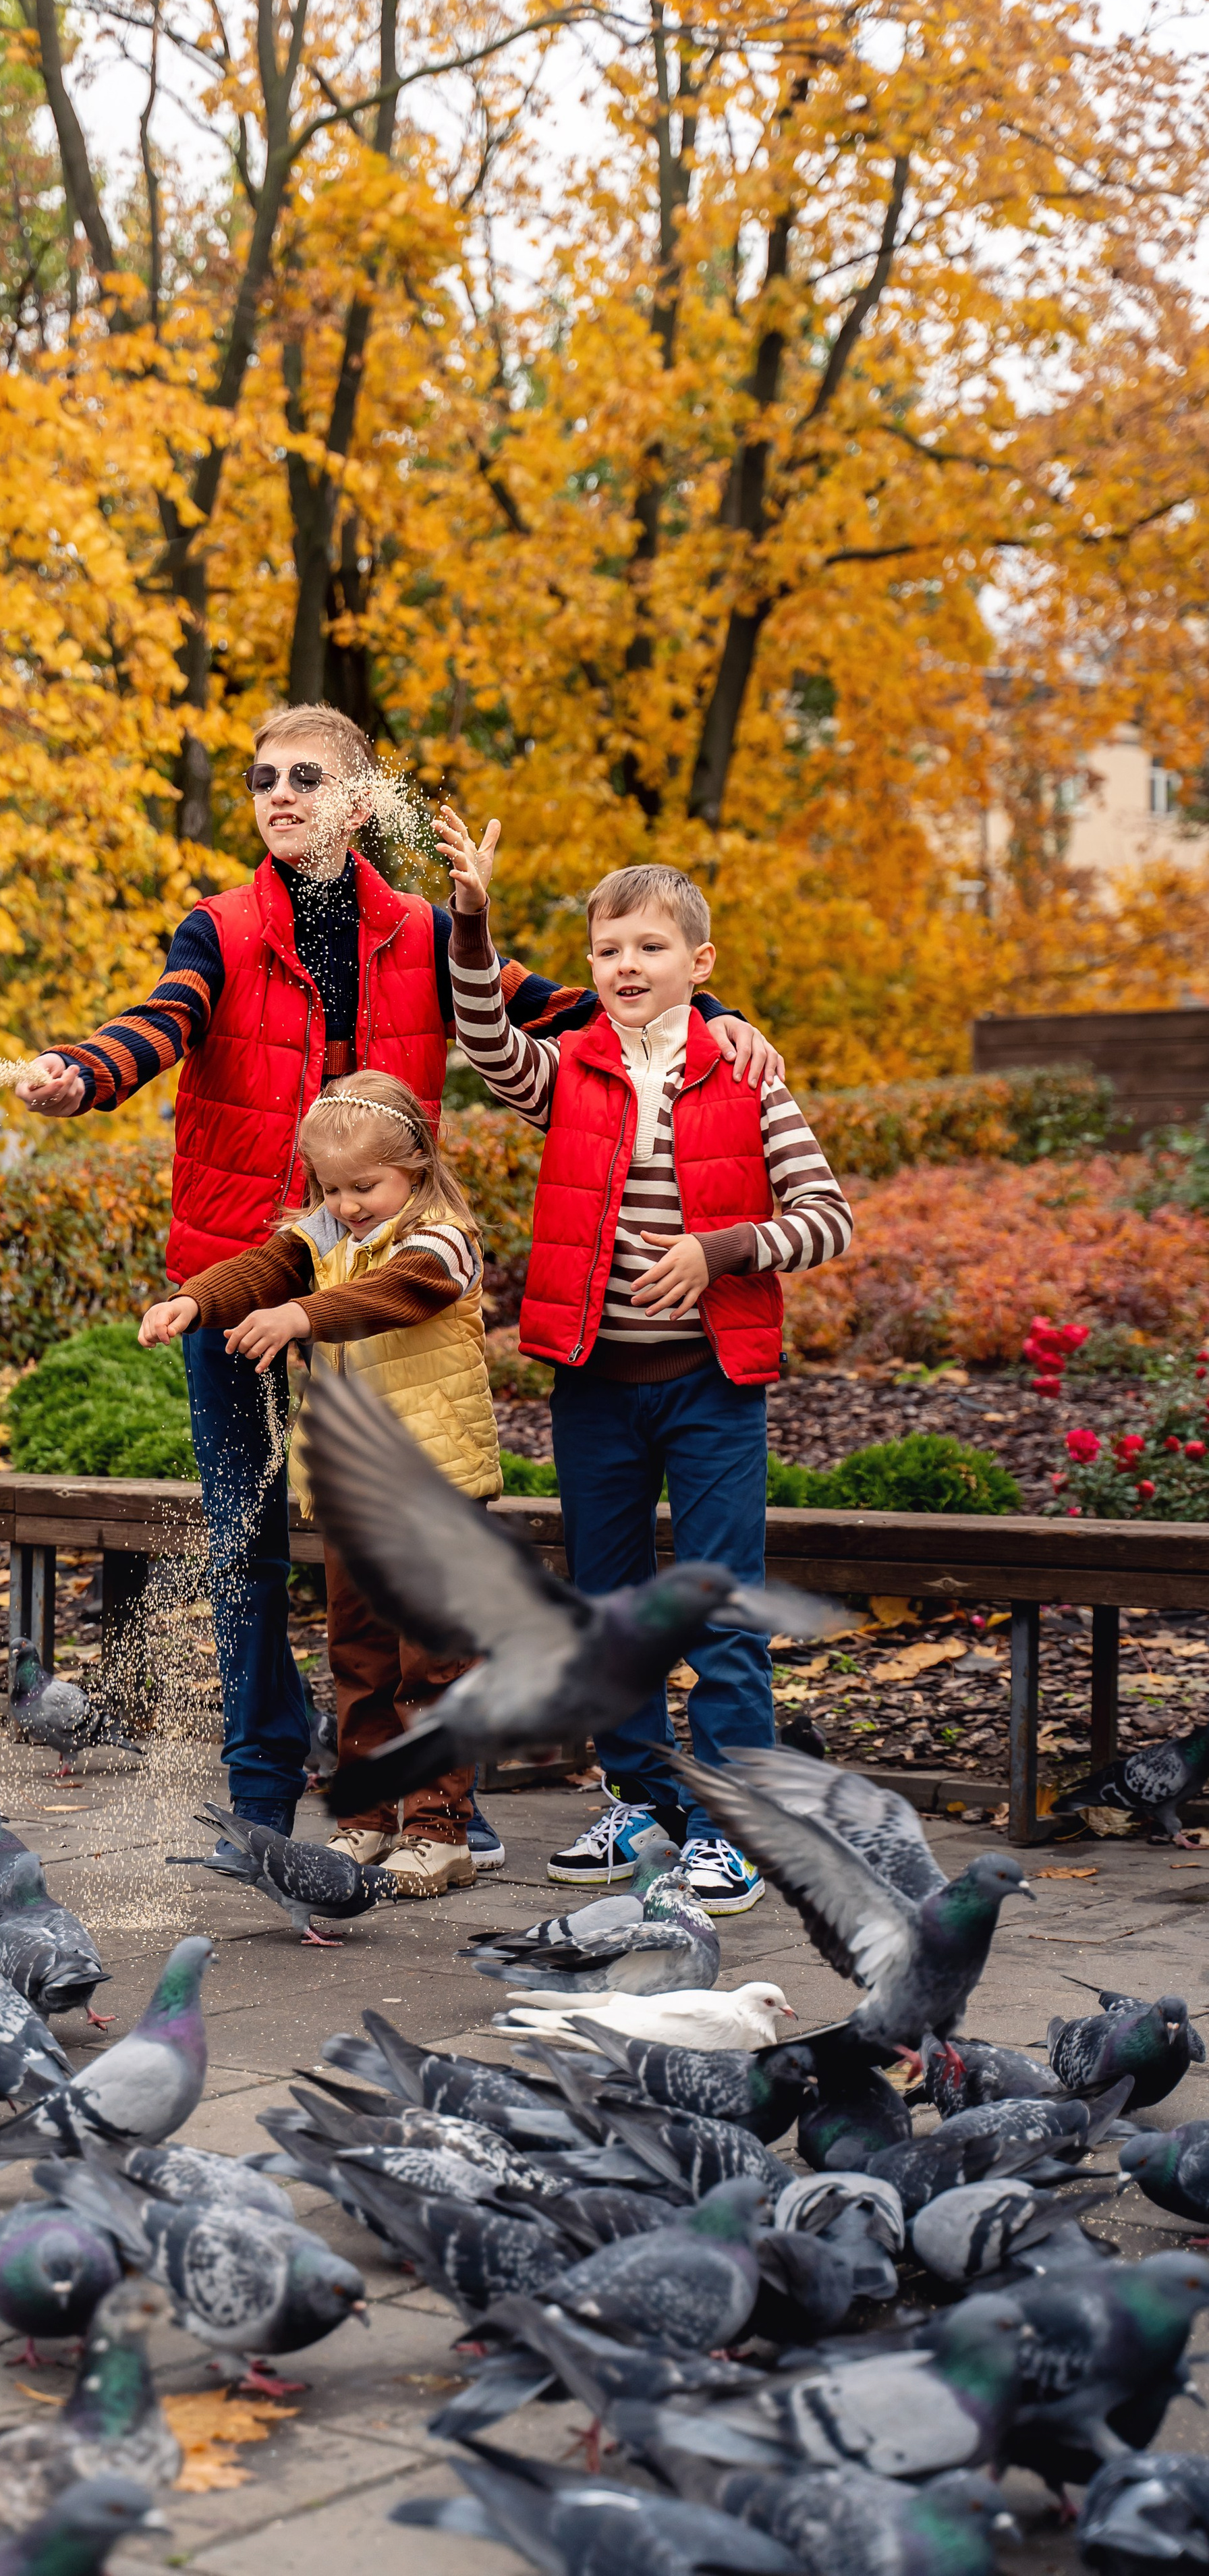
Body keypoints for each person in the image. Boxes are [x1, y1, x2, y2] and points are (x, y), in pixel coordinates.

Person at [17, 701, 783, 1841]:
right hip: (242, 1268)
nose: (281, 795)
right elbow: (163, 1020)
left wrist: (715, 1016)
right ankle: (264, 1791)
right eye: (265, 778)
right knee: (246, 1544)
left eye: (308, 777)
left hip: (384, 1284)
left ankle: (432, 1802)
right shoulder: (221, 928)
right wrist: (86, 1074)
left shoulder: (423, 933)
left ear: (361, 800)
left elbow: (582, 1009)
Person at [438, 806, 853, 1913]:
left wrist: (719, 1251)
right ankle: (641, 1802)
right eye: (608, 949)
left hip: (712, 1389)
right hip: (596, 1388)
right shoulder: (568, 1071)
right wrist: (471, 923)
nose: (627, 966)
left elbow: (828, 1218)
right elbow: (484, 1035)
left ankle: (729, 1827)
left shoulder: (749, 1077)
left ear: (699, 964)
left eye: (651, 946)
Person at [140, 1071, 499, 1894]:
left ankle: (439, 1831)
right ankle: (366, 1819)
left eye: (365, 1186)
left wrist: (301, 1315)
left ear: (415, 1165)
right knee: (360, 1659)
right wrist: (194, 1302)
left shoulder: (443, 1241)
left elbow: (390, 1295)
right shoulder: (325, 1233)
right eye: (331, 1188)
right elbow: (264, 1268)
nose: (346, 1204)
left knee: (432, 1664)